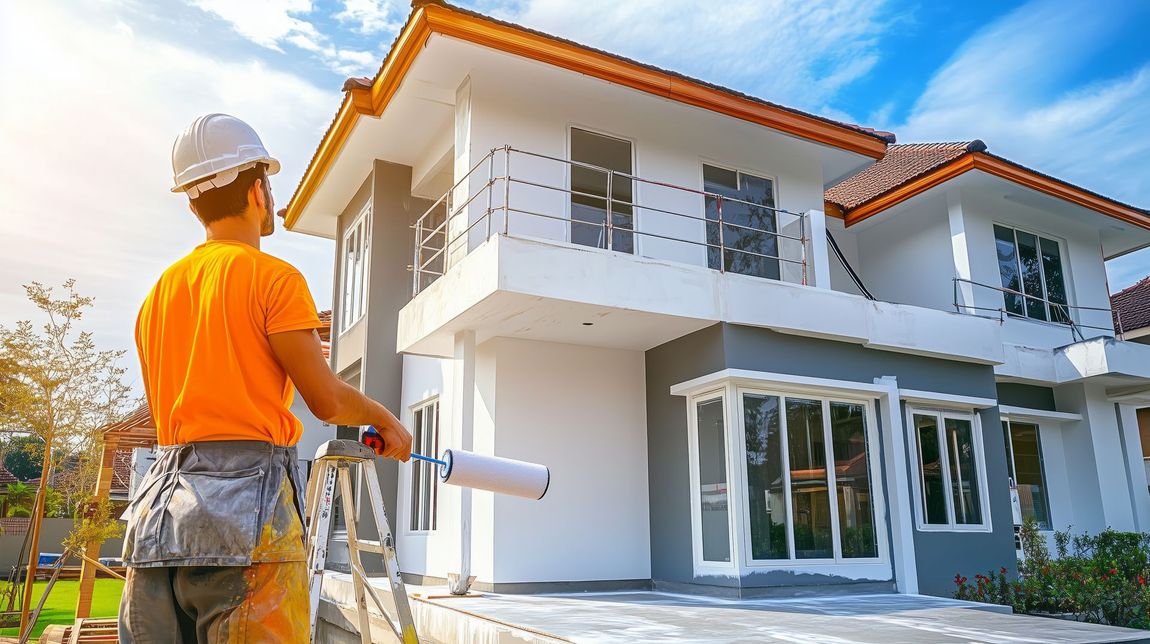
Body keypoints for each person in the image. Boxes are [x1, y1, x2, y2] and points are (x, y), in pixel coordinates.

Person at [119, 113, 412, 643]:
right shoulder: (274, 278)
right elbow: (324, 400)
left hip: (160, 515)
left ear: (192, 203)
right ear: (259, 191)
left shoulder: (158, 294)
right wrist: (386, 419)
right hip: (246, 516)